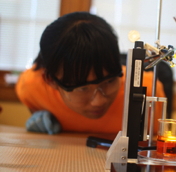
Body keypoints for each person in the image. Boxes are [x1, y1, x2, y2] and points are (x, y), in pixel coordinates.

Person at [15, 12, 165, 135]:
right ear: (51, 81)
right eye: (82, 88)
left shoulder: (146, 90)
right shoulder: (31, 88)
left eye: (109, 81)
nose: (98, 101)